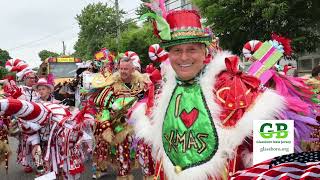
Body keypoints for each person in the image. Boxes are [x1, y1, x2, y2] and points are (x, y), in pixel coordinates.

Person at [131, 9, 285, 179]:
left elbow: (276, 154)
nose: (183, 57)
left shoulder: (235, 86)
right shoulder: (160, 95)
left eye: (191, 49)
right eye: (176, 50)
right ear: (169, 55)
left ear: (204, 52)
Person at [92, 56, 154, 180]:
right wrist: (106, 126)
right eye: (121, 68)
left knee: (145, 150)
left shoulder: (142, 83)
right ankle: (123, 175)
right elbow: (102, 106)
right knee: (122, 151)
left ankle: (149, 175)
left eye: (126, 69)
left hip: (139, 123)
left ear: (133, 70)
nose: (123, 71)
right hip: (121, 124)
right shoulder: (112, 85)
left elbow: (149, 99)